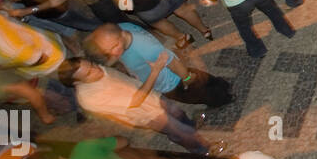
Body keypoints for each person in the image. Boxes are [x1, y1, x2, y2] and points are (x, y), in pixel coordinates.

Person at [59, 59, 210, 153]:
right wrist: (155, 71)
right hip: (148, 115)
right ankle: (202, 149)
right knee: (179, 131)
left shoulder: (96, 70)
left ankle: (191, 127)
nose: (97, 69)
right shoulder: (90, 99)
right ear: (77, 83)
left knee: (178, 113)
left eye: (91, 65)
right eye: (89, 73)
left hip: (152, 97)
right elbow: (136, 101)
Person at [85, 21, 230, 108]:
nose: (113, 53)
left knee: (199, 92)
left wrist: (187, 79)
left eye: (114, 46)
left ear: (121, 35)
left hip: (173, 83)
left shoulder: (145, 48)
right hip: (170, 79)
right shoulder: (121, 28)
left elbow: (172, 63)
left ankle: (223, 99)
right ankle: (221, 85)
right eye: (108, 50)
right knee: (204, 81)